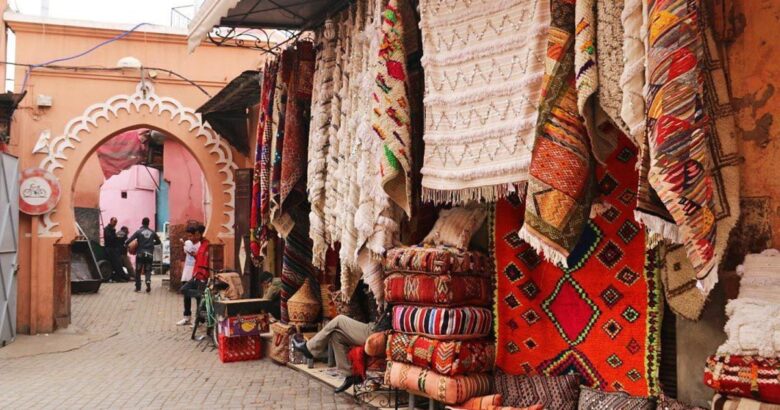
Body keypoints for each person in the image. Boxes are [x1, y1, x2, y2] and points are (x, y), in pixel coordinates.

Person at [292, 309, 391, 393]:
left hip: (378, 333)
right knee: (336, 336)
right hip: (378, 329)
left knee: (339, 319)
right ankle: (350, 375)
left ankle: (309, 348)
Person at [177, 224, 210, 326]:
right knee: (185, 292)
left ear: (199, 234)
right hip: (193, 273)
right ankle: (188, 317)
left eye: (193, 235)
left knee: (198, 297)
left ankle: (199, 319)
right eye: (190, 236)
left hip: (200, 275)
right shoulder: (193, 244)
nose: (191, 238)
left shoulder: (204, 245)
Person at [126, 217, 161, 293]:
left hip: (140, 254)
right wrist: (151, 244)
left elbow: (130, 240)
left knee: (138, 271)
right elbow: (159, 242)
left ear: (142, 223)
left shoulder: (138, 232)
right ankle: (148, 281)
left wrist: (126, 244)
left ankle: (138, 287)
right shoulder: (152, 232)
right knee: (148, 270)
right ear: (148, 223)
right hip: (149, 254)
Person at [103, 217, 128, 282]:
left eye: (116, 222)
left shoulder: (112, 229)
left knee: (117, 263)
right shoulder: (107, 229)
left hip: (113, 249)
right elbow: (110, 238)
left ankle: (120, 277)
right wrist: (116, 237)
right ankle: (118, 278)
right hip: (110, 249)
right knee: (116, 263)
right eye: (114, 222)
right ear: (111, 221)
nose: (115, 223)